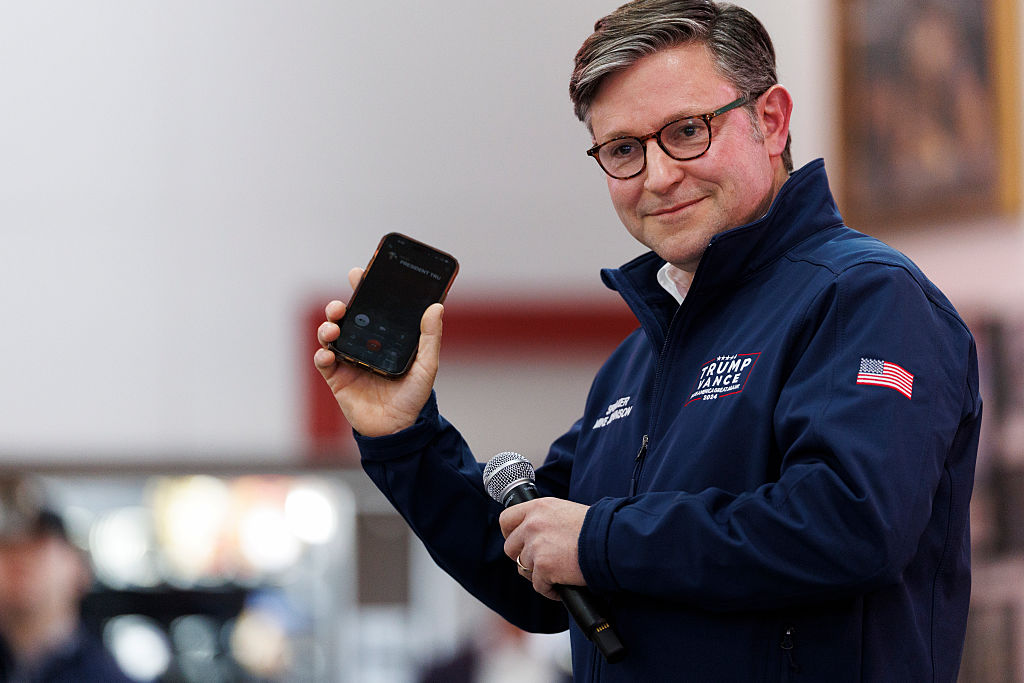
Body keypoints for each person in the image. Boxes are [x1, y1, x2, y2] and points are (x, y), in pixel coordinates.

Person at [314, 1, 982, 680]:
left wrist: (599, 541)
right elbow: (535, 571)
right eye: (624, 150)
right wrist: (404, 439)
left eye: (687, 131)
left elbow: (850, 522)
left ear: (771, 121)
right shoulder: (637, 362)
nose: (659, 176)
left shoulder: (868, 296)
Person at [0, 476, 132, 682]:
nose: (20, 555)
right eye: (5, 543)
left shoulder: (105, 677)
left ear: (80, 567)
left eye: (40, 538)